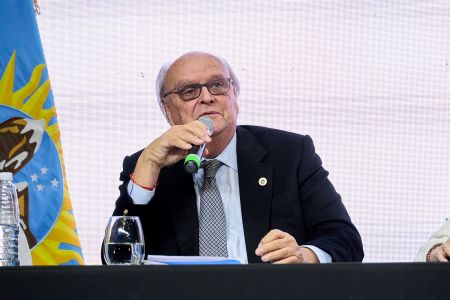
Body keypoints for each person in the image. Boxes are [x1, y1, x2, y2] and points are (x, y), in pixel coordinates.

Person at [109, 51, 364, 264]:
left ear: (235, 96)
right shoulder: (146, 165)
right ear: (167, 110)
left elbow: (345, 239)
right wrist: (149, 166)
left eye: (217, 85)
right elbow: (118, 258)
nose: (207, 97)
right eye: (189, 91)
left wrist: (303, 255)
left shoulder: (289, 153)